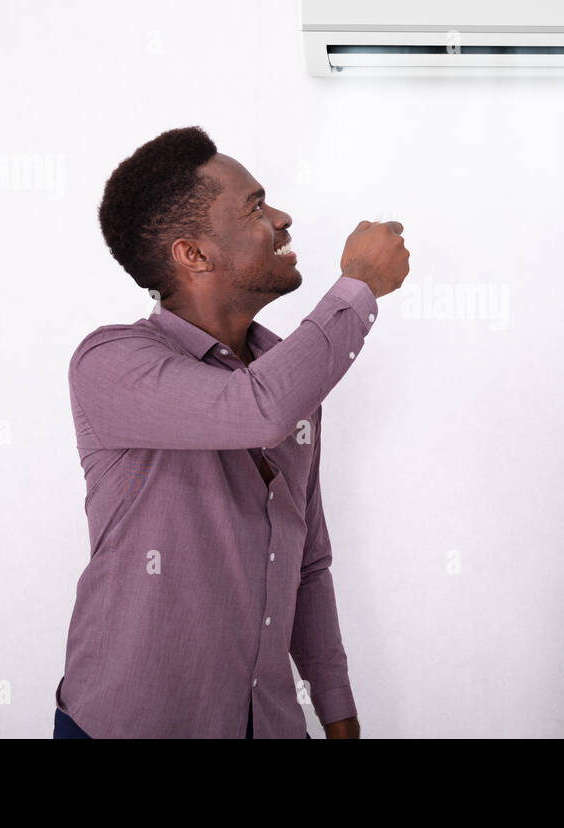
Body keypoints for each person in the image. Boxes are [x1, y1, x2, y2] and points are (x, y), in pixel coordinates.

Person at [52, 125, 409, 738]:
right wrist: (359, 285)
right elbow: (254, 409)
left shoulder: (285, 375)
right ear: (193, 254)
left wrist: (340, 719)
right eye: (255, 205)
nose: (281, 217)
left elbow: (307, 564)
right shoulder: (110, 362)